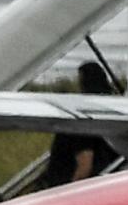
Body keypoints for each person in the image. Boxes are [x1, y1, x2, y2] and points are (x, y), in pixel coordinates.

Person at [34, 62, 122, 191]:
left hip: (66, 186)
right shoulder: (111, 111)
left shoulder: (79, 122)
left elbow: (85, 164)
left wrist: (71, 190)